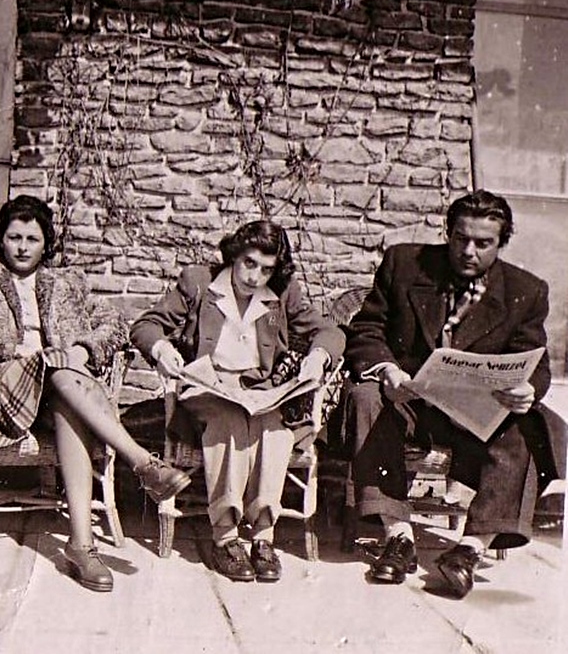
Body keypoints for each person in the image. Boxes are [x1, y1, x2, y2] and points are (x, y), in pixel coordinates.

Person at [0, 195, 190, 593]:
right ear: (0, 239)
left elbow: (114, 323)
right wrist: (10, 347)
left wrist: (83, 350)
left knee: (64, 384)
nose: (22, 247)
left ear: (46, 244)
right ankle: (142, 463)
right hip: (6, 387)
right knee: (62, 376)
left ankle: (82, 545)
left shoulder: (66, 283)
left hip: (60, 387)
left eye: (32, 239)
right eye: (14, 237)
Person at [342, 189, 558, 598]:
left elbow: (536, 361)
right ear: (448, 232)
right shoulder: (405, 264)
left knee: (529, 422)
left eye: (483, 243)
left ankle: (469, 550)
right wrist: (388, 370)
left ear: (503, 242)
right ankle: (398, 537)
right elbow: (366, 328)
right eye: (461, 239)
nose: (469, 252)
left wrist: (526, 389)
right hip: (407, 402)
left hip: (472, 417)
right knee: (365, 396)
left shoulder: (526, 290)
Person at [130, 220, 346, 583]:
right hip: (207, 388)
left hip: (259, 393)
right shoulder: (200, 283)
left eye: (266, 269)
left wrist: (318, 356)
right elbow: (145, 325)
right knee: (229, 422)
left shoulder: (283, 293)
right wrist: (162, 348)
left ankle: (263, 537)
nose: (254, 276)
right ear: (234, 255)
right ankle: (226, 537)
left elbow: (329, 332)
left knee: (276, 429)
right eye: (249, 263)